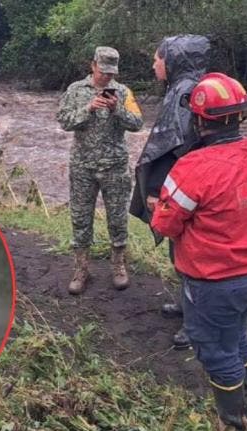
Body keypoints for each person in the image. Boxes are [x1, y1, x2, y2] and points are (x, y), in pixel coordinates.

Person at [151, 72, 247, 431]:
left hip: (214, 280)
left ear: (198, 119)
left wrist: (158, 205)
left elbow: (165, 225)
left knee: (215, 350)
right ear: (240, 116)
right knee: (237, 337)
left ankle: (233, 423)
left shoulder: (193, 167)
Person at [130, 34, 211, 350]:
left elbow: (171, 148)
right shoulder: (191, 88)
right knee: (181, 250)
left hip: (187, 186)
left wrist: (157, 191)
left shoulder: (185, 92)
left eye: (157, 58)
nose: (153, 64)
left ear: (172, 60)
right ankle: (187, 307)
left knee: (191, 253)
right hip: (190, 183)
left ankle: (196, 324)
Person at [56, 46, 144, 294]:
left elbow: (138, 123)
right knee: (81, 218)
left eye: (111, 73)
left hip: (115, 166)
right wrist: (88, 109)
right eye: (103, 71)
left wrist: (117, 109)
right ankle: (81, 268)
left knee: (117, 218)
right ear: (93, 65)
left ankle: (118, 265)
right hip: (83, 166)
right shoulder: (76, 90)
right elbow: (63, 121)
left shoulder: (123, 92)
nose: (106, 77)